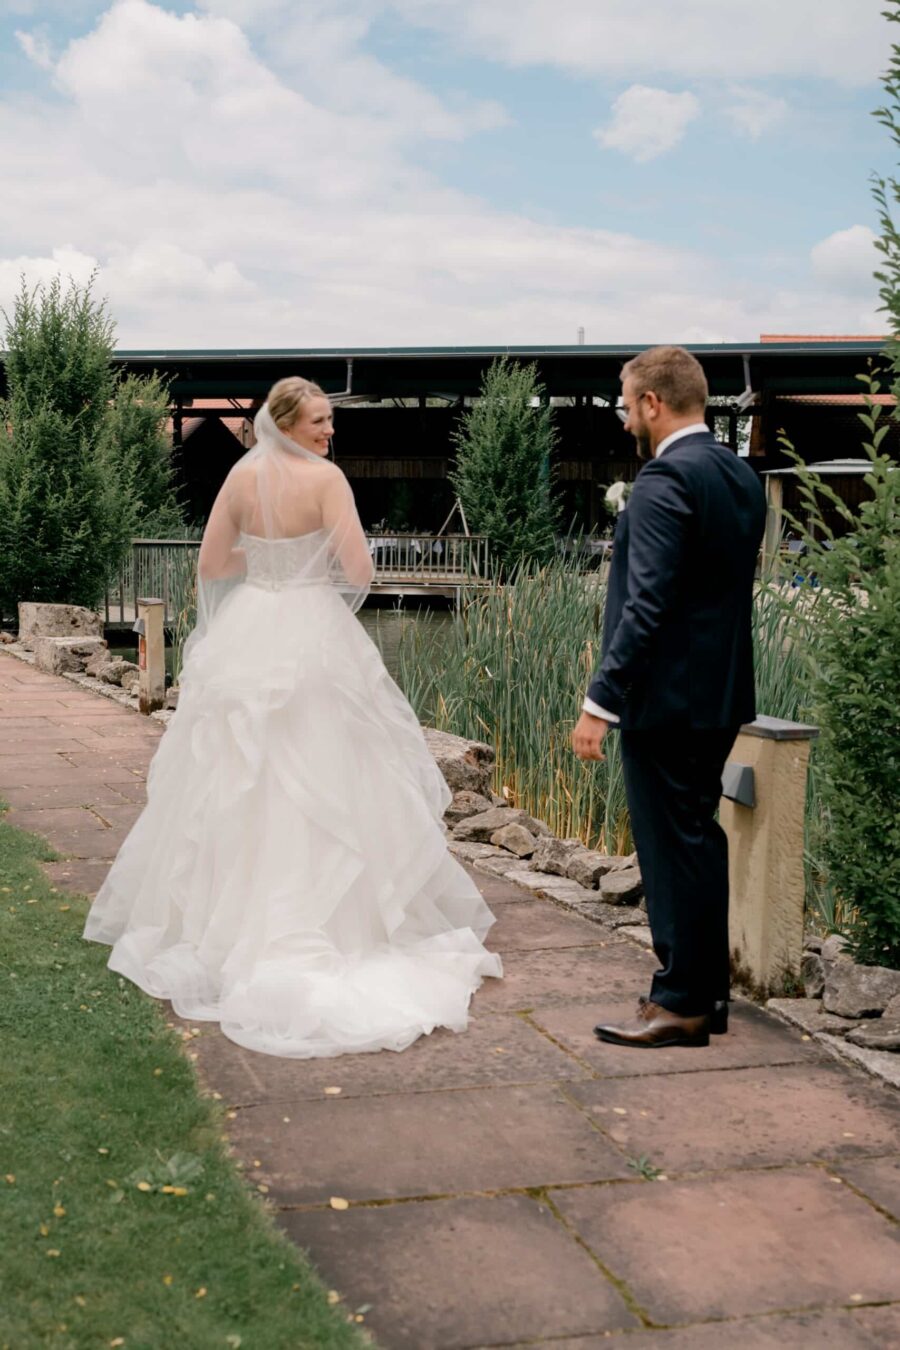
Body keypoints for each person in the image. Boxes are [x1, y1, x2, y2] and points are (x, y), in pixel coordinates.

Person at [84, 377, 501, 1058]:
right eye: (318, 421)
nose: (328, 432)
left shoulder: (241, 480)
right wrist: (306, 558)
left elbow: (215, 563)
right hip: (311, 630)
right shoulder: (327, 480)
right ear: (286, 422)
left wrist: (270, 559)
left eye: (329, 421)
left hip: (251, 625)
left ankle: (231, 927)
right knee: (323, 767)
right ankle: (334, 925)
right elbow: (358, 567)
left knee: (249, 772)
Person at [571, 346, 766, 1049]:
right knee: (697, 841)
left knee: (668, 845)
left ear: (654, 402)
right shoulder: (739, 476)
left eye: (627, 405)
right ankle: (704, 994)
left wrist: (601, 700)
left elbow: (645, 606)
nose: (626, 420)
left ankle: (680, 999)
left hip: (664, 703)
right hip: (719, 696)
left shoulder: (662, 482)